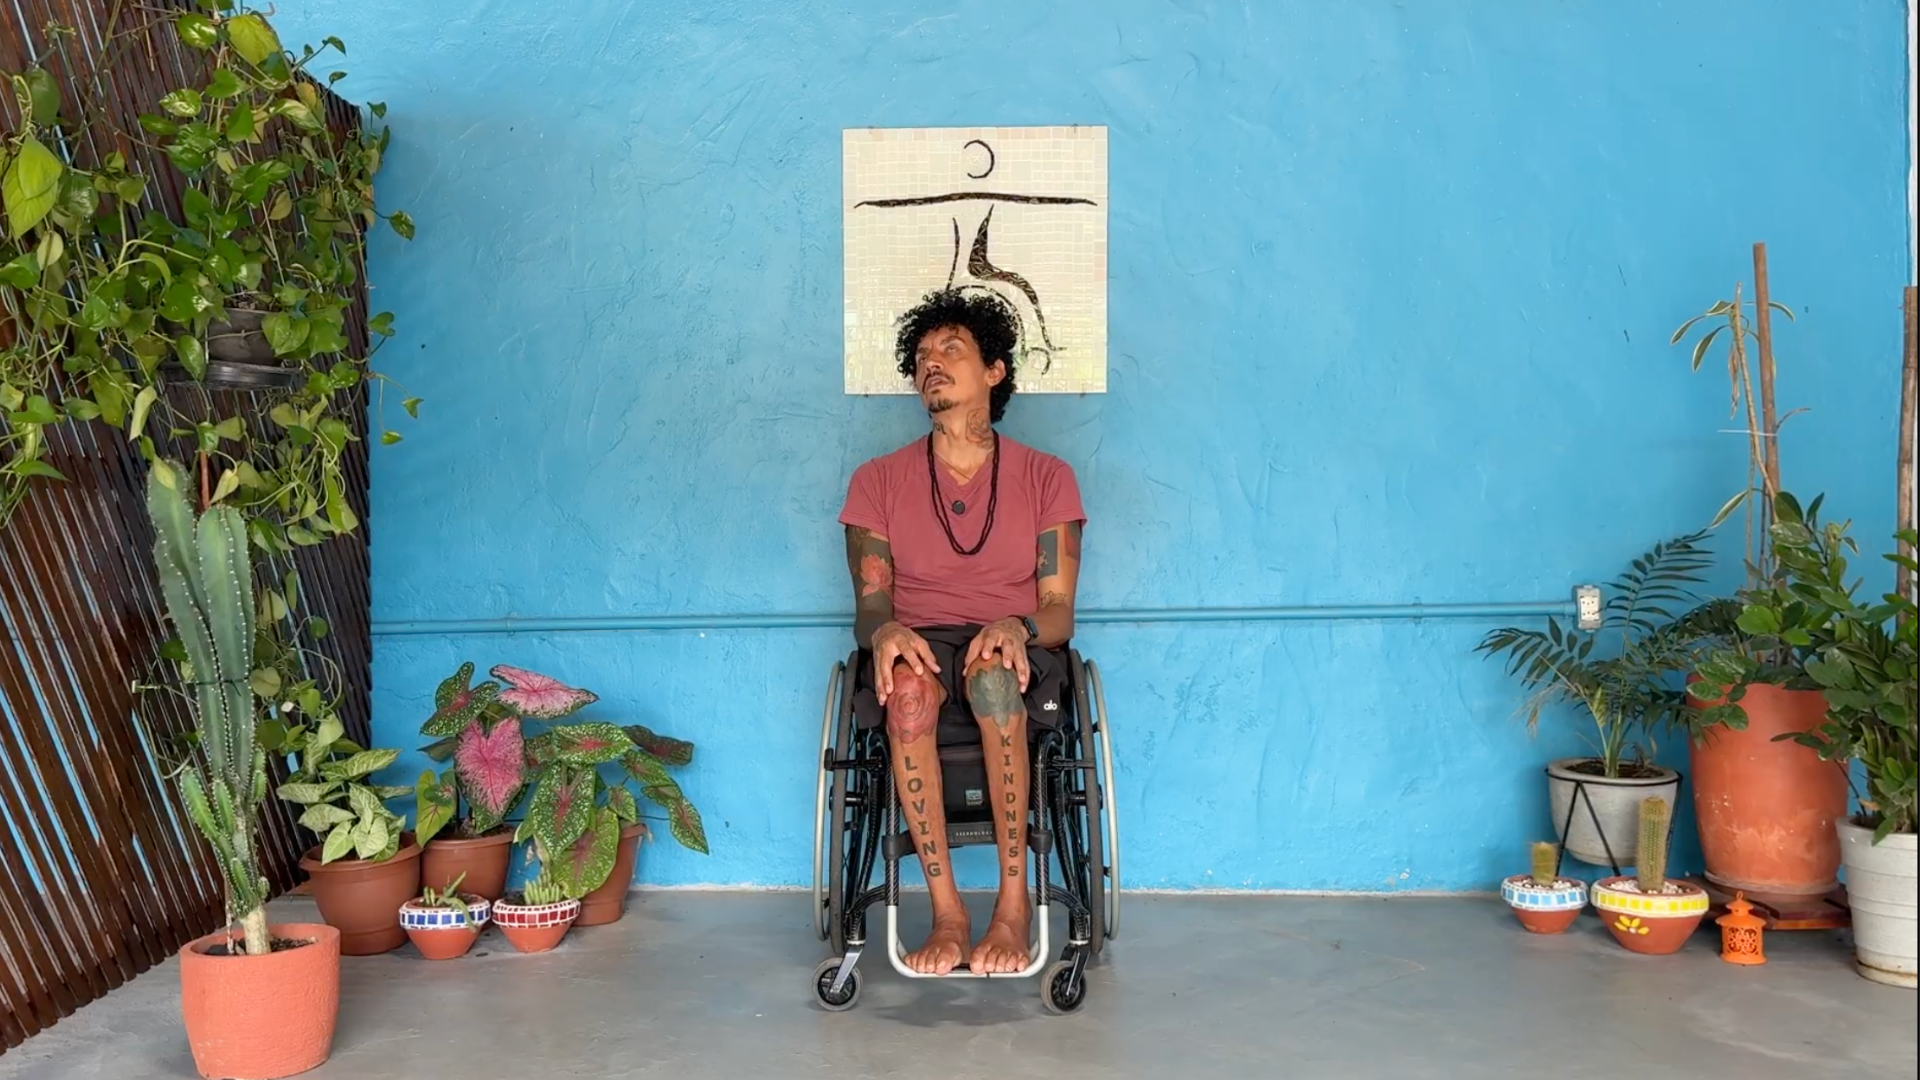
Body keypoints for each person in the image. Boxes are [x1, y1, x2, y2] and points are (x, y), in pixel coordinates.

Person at [837, 287, 1086, 976]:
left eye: (952, 350)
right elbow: (870, 604)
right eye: (921, 357)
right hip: (917, 642)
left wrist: (1020, 624)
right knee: (909, 690)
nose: (931, 365)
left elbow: (1060, 609)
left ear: (995, 371)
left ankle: (1011, 909)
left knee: (997, 678)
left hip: (1016, 641)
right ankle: (948, 913)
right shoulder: (877, 481)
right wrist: (884, 633)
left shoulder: (1047, 477)